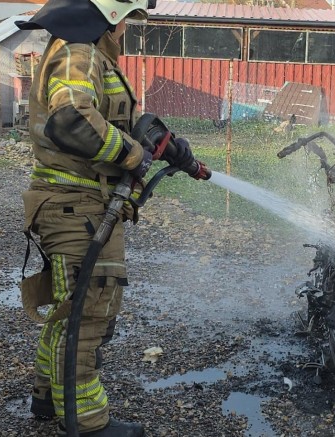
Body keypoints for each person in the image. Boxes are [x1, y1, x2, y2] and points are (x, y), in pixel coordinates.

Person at [15, 0, 206, 435]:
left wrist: (167, 144)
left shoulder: (89, 55)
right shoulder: (77, 53)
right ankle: (86, 422)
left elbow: (113, 115)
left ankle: (47, 398)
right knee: (90, 313)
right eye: (126, 22)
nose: (125, 31)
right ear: (112, 16)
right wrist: (134, 155)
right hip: (76, 205)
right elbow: (71, 119)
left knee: (70, 310)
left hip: (77, 204)